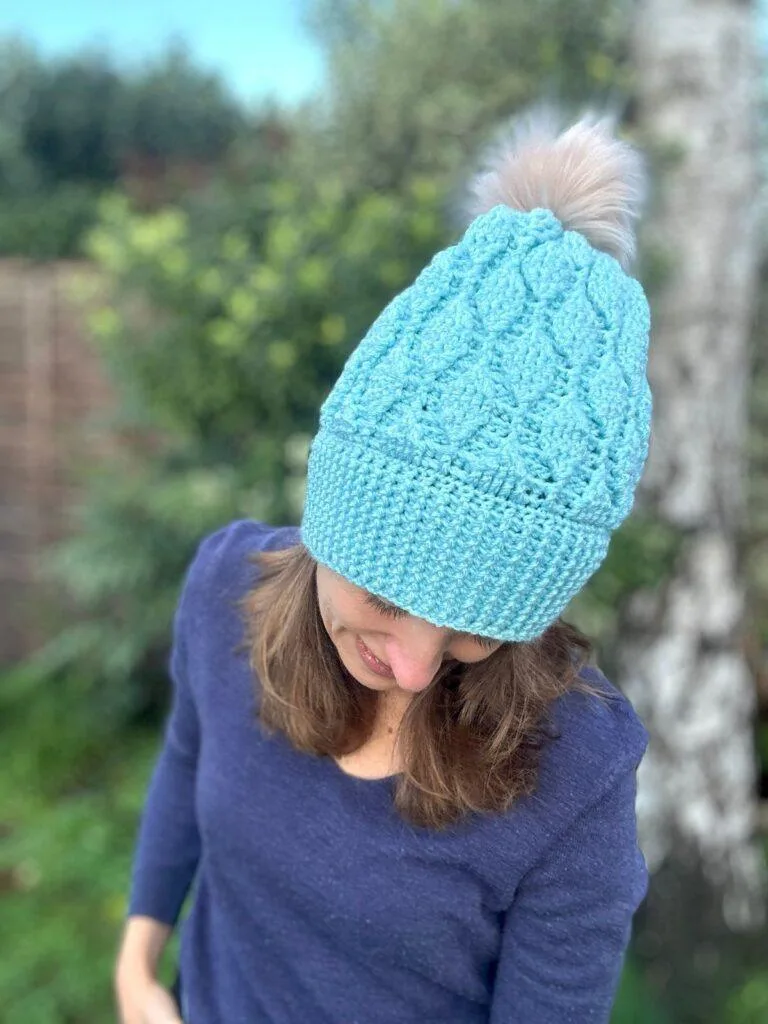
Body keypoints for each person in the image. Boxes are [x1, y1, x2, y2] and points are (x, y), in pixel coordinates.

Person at [115, 111, 653, 1024]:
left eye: (476, 628)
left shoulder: (576, 773)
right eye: (389, 595)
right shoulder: (224, 592)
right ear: (332, 523)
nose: (412, 668)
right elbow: (187, 756)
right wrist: (138, 971)